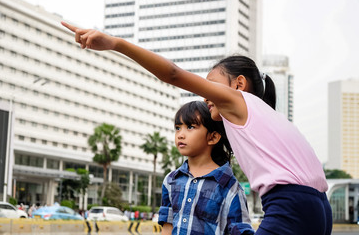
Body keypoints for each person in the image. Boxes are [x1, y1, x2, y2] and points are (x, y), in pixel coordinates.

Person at [61, 22, 332, 235]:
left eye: (212, 84)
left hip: (289, 204)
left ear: (238, 84)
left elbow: (173, 74)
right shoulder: (265, 117)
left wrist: (114, 43)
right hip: (320, 206)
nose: (205, 95)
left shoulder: (239, 101)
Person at [159, 101, 253, 235]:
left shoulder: (230, 188)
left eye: (190, 127)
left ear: (213, 137)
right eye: (178, 128)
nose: (180, 134)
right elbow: (167, 228)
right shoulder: (170, 181)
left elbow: (241, 231)